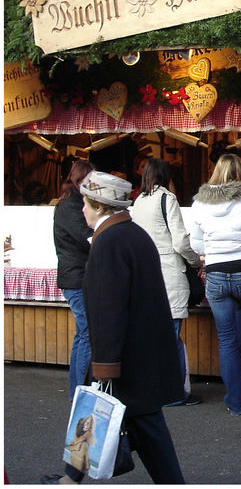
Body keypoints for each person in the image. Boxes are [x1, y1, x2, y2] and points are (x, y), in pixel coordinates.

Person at [42, 171, 185, 484]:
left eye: (86, 204)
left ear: (99, 206)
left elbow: (108, 311)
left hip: (125, 357)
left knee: (141, 424)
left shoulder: (109, 242)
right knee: (111, 417)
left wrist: (104, 365)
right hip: (139, 353)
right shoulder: (133, 234)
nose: (82, 210)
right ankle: (72, 477)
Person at [187, 153, 241, 416]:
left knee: (226, 339)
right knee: (240, 332)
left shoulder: (199, 204)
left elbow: (195, 244)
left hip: (215, 273)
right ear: (240, 173)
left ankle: (236, 401)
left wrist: (212, 252)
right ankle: (238, 385)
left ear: (215, 171)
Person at [130, 158, 203, 406]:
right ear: (166, 176)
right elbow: (180, 241)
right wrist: (195, 261)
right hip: (169, 273)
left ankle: (152, 388)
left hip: (146, 273)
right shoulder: (167, 199)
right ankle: (173, 393)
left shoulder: (138, 202)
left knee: (153, 335)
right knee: (170, 336)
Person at [52, 159, 96, 399]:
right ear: (80, 180)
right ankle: (79, 390)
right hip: (76, 277)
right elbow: (86, 237)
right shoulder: (71, 206)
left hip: (77, 275)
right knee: (86, 331)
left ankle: (78, 389)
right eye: (90, 180)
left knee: (84, 331)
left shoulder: (71, 203)